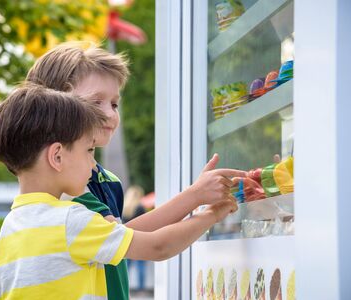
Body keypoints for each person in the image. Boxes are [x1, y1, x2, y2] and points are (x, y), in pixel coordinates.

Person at [25, 41, 247, 299]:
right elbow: (153, 245)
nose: (110, 115)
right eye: (96, 102)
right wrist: (200, 202)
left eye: (114, 104)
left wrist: (196, 197)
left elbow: (126, 235)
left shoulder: (104, 179)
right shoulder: (64, 185)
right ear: (57, 104)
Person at [122, 186, 147, 292]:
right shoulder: (140, 207)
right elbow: (146, 223)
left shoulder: (124, 208)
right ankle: (141, 288)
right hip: (139, 238)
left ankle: (125, 286)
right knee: (140, 265)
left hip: (126, 239)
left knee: (126, 266)